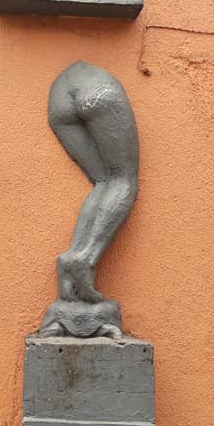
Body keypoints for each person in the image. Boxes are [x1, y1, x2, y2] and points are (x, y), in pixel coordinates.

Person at [48, 61, 139, 304]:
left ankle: (70, 258)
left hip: (59, 94)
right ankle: (87, 258)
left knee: (103, 181)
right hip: (99, 88)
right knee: (122, 179)